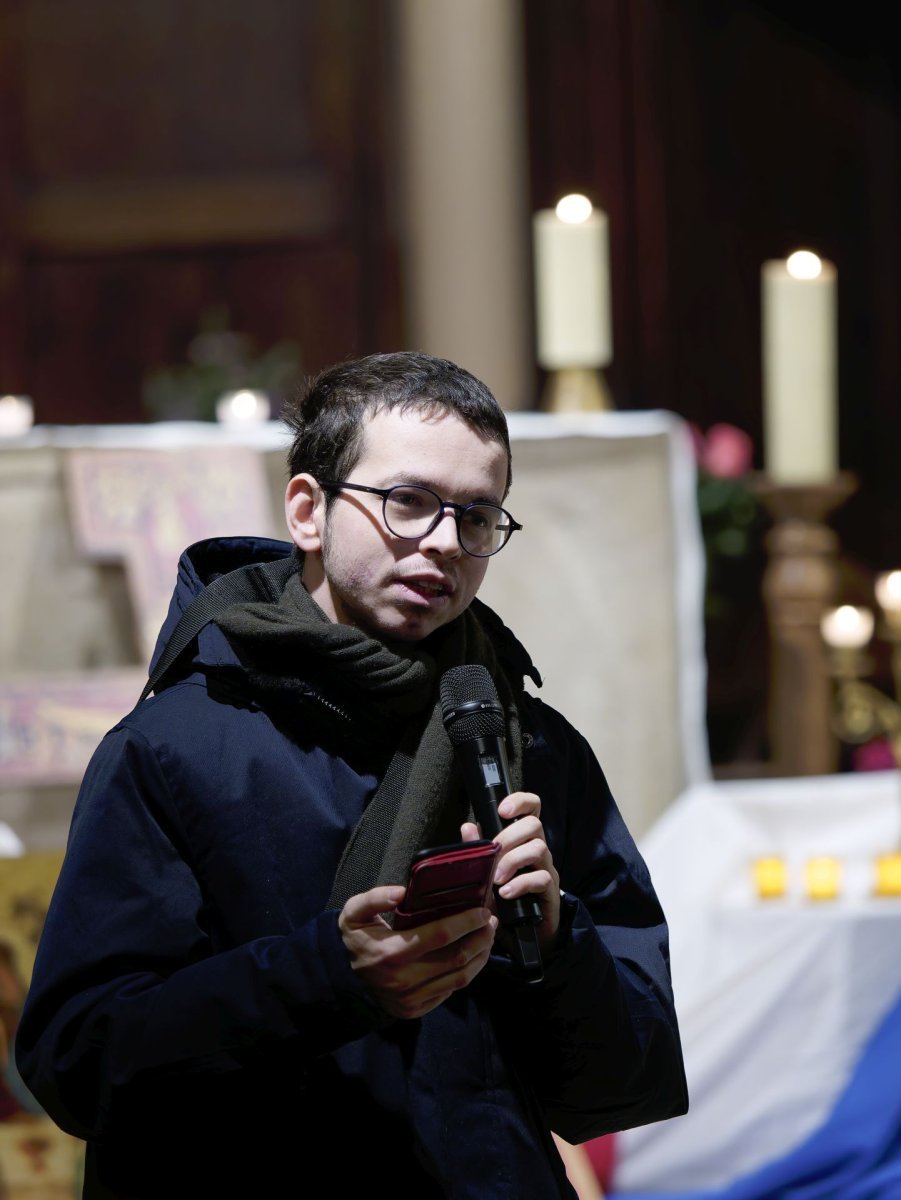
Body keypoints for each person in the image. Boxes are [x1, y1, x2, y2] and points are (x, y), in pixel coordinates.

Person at [16, 351, 687, 1198]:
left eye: (477, 516)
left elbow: (620, 1083)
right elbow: (77, 1060)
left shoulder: (529, 746)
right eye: (408, 502)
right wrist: (325, 976)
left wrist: (555, 947)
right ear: (308, 509)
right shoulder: (173, 745)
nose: (444, 542)